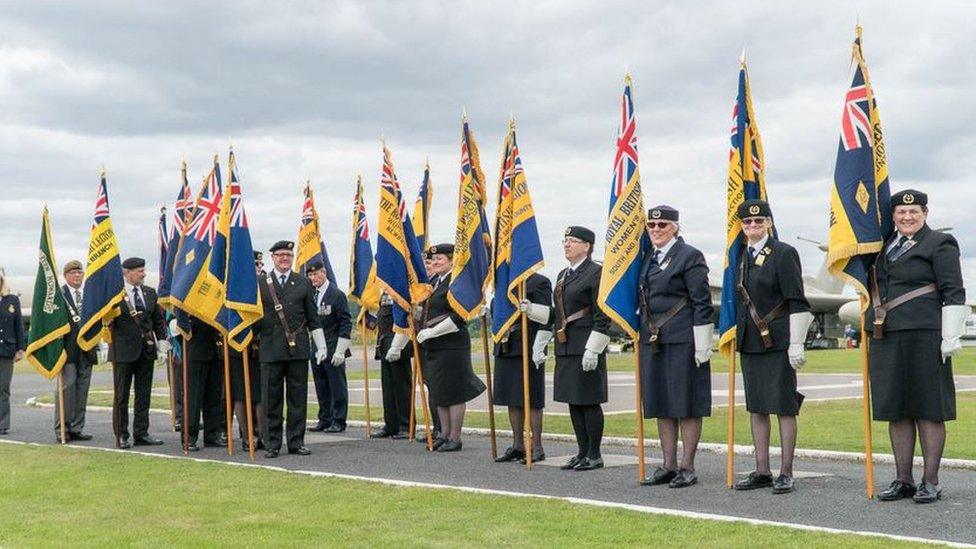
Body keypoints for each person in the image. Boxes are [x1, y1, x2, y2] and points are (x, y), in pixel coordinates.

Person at [867, 190, 966, 504]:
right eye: (901, 212)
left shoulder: (940, 243)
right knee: (896, 408)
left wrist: (950, 336)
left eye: (913, 212)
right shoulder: (882, 248)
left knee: (928, 408)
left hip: (925, 334)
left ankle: (931, 481)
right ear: (893, 216)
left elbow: (954, 290)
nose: (907, 217)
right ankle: (903, 479)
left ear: (925, 212)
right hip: (886, 335)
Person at [731, 200, 812, 495]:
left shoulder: (783, 253)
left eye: (758, 221)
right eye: (747, 223)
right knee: (757, 407)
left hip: (777, 340)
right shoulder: (741, 255)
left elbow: (797, 300)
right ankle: (762, 469)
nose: (753, 226)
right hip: (750, 341)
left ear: (769, 223)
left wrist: (796, 342)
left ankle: (786, 472)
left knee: (784, 406)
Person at [637, 206, 714, 488]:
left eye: (663, 225)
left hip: (684, 339)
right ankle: (668, 465)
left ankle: (687, 466)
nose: (656, 230)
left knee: (686, 403)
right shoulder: (647, 257)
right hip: (654, 339)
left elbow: (701, 302)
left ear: (675, 228)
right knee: (661, 403)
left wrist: (703, 344)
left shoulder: (689, 256)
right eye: (652, 225)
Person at [389, 243, 485, 452]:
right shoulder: (435, 283)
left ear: (452, 260)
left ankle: (455, 437)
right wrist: (413, 314)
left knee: (455, 391)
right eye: (432, 260)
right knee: (440, 391)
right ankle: (443, 434)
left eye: (440, 259)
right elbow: (428, 312)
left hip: (452, 344)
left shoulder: (456, 282)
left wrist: (432, 332)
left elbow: (459, 317)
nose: (434, 263)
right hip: (434, 345)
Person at [257, 241, 327, 458]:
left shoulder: (302, 282)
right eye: (280, 255)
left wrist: (321, 344)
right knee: (271, 399)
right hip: (270, 348)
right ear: (273, 258)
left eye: (288, 254)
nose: (285, 258)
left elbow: (313, 318)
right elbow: (251, 317)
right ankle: (272, 444)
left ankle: (296, 442)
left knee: (298, 398)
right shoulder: (260, 283)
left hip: (297, 349)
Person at [552, 227, 612, 471]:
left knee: (588, 401)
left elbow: (602, 316)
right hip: (566, 345)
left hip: (586, 344)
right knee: (573, 401)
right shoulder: (562, 275)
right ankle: (581, 452)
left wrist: (594, 349)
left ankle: (594, 454)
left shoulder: (597, 273)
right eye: (565, 241)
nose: (566, 245)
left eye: (572, 241)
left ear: (587, 246)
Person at [109, 257, 169, 448]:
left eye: (143, 270)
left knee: (144, 394)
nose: (143, 274)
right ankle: (122, 434)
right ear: (127, 273)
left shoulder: (150, 292)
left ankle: (141, 433)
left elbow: (158, 320)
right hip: (123, 351)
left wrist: (162, 342)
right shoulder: (114, 295)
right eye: (139, 271)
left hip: (146, 350)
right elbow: (106, 321)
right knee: (121, 396)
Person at [493, 272, 552, 464]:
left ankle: (537, 446)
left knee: (532, 398)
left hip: (527, 344)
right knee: (512, 397)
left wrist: (540, 345)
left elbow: (546, 316)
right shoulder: (503, 281)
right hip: (506, 344)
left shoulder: (538, 281)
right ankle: (518, 444)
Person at [53, 260, 97, 442]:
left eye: (80, 273)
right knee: (67, 389)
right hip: (68, 350)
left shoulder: (89, 295)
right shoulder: (59, 295)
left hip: (86, 349)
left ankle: (77, 427)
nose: (78, 276)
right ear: (66, 276)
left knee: (82, 389)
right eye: (74, 273)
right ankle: (62, 428)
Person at [307, 262, 353, 433]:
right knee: (321, 385)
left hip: (334, 346)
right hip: (317, 347)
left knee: (337, 385)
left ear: (324, 273)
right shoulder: (311, 294)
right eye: (310, 276)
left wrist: (341, 349)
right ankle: (324, 419)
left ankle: (339, 420)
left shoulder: (336, 294)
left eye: (316, 274)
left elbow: (346, 323)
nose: (313, 278)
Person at [371, 292, 411, 439]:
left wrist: (398, 346)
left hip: (398, 341)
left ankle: (406, 425)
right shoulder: (385, 291)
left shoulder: (399, 287)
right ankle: (391, 425)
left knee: (402, 387)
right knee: (388, 388)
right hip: (385, 341)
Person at [182, 314, 225, 451]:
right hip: (196, 350)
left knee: (214, 396)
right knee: (193, 398)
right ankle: (189, 437)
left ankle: (212, 435)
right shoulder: (189, 297)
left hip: (216, 350)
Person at [0, 269, 26, 435]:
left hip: (7, 350)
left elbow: (19, 326)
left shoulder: (12, 300)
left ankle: (2, 424)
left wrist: (20, 348)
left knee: (3, 388)